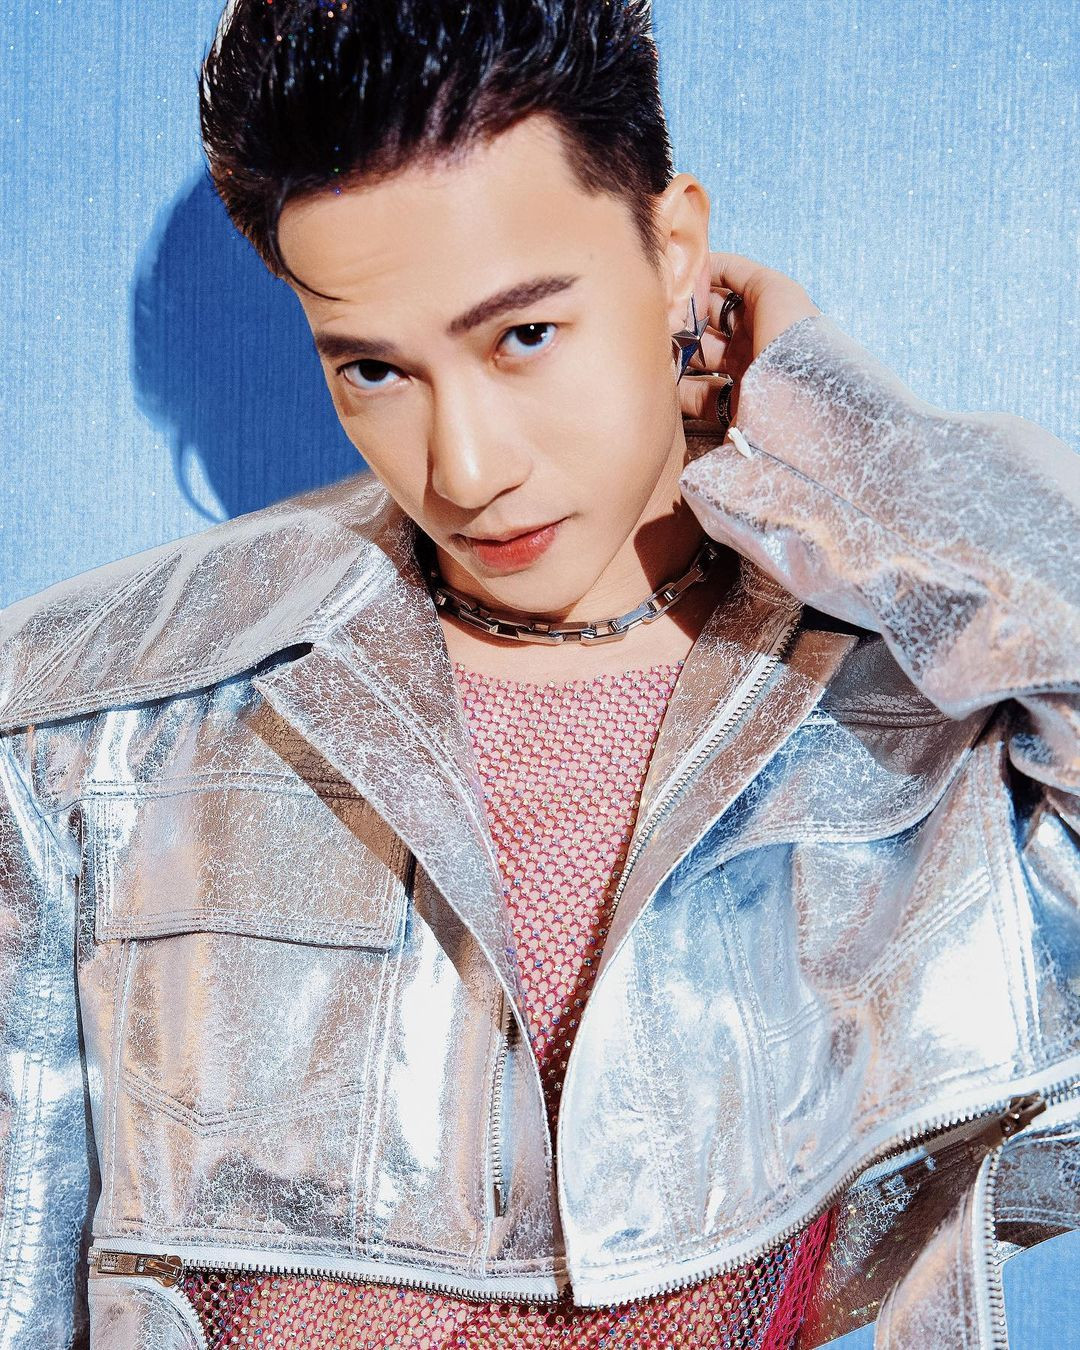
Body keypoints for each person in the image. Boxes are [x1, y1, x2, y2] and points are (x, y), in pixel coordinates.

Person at [1, 0, 1077, 1345]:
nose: (465, 466)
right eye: (374, 368)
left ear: (675, 253)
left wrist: (842, 436)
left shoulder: (899, 719)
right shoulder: (97, 734)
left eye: (523, 336)